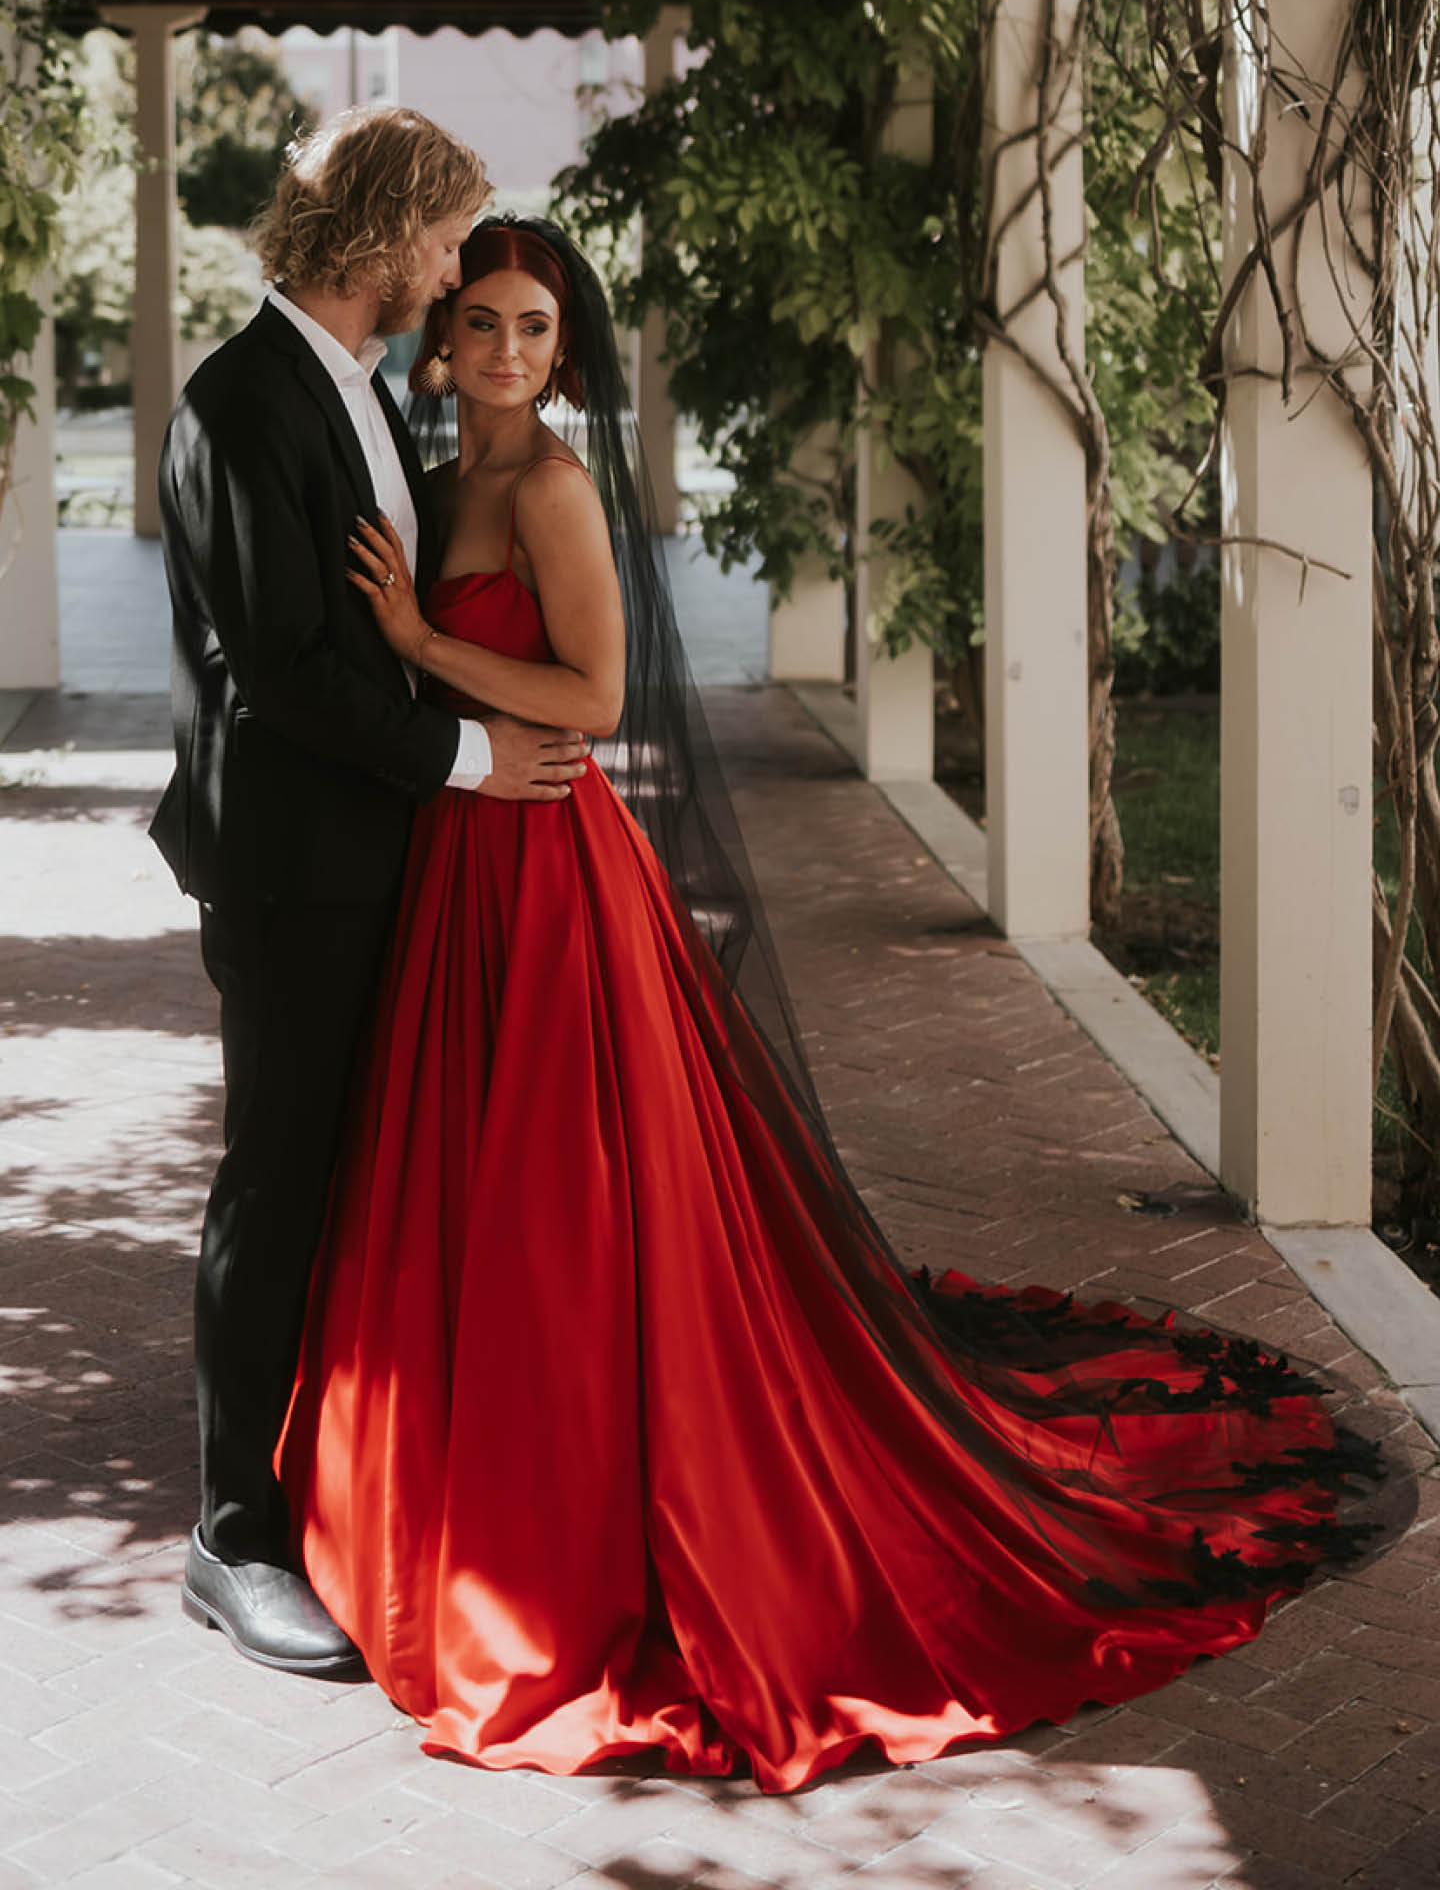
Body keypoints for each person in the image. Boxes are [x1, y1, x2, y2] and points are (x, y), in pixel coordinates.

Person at [277, 216, 1379, 1790]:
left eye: (534, 327)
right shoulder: (438, 481)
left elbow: (590, 701)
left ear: (562, 351)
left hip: (552, 870)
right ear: (439, 342)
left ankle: (584, 1516)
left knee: (566, 1207)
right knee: (470, 1186)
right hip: (463, 859)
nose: (507, 351)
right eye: (479, 323)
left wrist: (413, 637)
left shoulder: (552, 491)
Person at [150, 113, 589, 1676]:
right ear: (385, 233)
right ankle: (230, 1537)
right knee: (275, 1182)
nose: (464, 266)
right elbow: (277, 678)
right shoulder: (236, 402)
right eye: (451, 236)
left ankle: (332, 1486)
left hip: (380, 856)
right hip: (290, 870)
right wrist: (475, 762)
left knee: (358, 1179)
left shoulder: (358, 391)